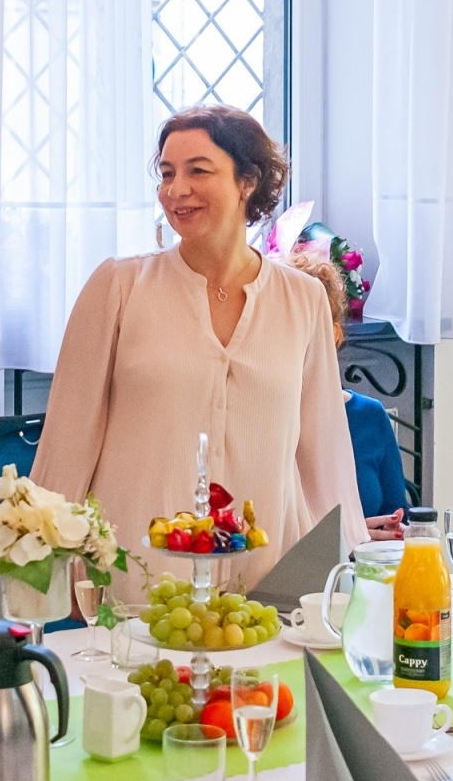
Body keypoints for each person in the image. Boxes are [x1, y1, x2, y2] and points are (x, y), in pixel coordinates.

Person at [31, 105, 368, 601]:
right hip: (138, 573)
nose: (176, 190)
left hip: (269, 576)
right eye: (167, 173)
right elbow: (67, 440)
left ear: (247, 181)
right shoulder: (118, 287)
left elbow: (324, 451)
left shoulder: (304, 298)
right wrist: (42, 572)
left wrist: (350, 569)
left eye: (198, 171)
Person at [285, 250, 407, 540]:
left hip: (365, 563)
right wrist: (349, 535)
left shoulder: (369, 415)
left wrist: (386, 532)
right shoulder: (262, 419)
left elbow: (398, 516)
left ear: (335, 335)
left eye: (305, 323)